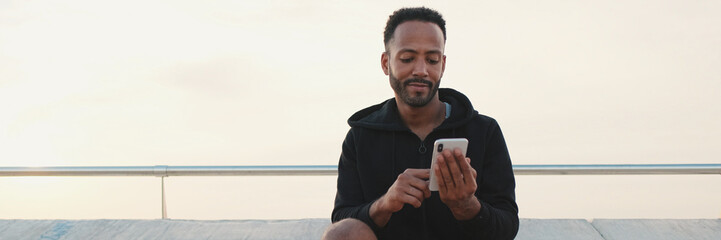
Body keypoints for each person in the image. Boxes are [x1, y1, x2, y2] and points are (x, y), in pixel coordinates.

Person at [322, 7, 519, 240]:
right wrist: (385, 204)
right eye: (407, 58)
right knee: (343, 232)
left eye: (432, 60)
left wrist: (466, 205)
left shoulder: (484, 131)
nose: (421, 70)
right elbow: (343, 220)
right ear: (386, 63)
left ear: (443, 65)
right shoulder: (360, 136)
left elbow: (507, 227)